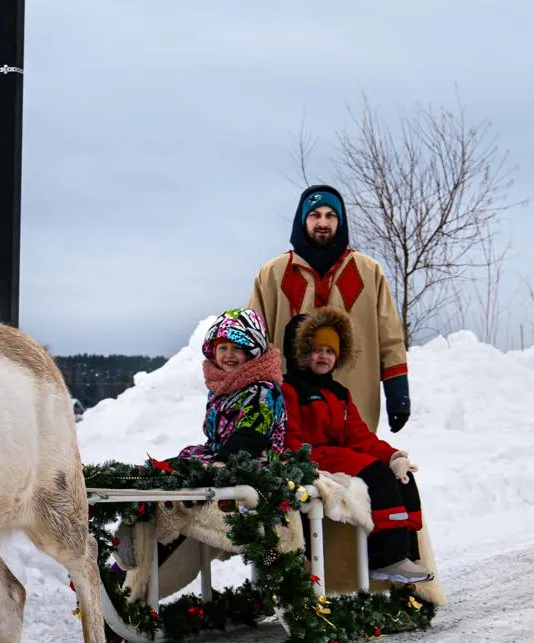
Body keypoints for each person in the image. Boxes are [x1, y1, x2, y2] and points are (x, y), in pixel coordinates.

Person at [280, 309, 433, 584]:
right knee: (377, 475)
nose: (323, 356)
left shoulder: (339, 393)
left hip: (340, 455)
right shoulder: (289, 389)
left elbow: (360, 436)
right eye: (315, 350)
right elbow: (289, 440)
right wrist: (308, 464)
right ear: (297, 352)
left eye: (330, 350)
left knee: (402, 477)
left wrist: (393, 456)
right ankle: (387, 559)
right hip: (313, 457)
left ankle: (409, 554)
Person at [247, 185, 410, 434]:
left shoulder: (369, 271)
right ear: (303, 220)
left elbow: (390, 338)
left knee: (355, 467)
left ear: (340, 222)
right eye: (315, 215)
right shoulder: (272, 274)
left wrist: (398, 392)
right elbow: (253, 340)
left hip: (355, 403)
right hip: (290, 407)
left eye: (330, 215)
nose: (323, 222)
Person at [177, 309, 286, 462]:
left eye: (237, 348)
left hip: (251, 461)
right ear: (214, 352)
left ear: (251, 352)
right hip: (219, 454)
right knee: (170, 466)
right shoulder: (221, 388)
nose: (229, 354)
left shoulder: (263, 390)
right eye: (223, 348)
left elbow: (251, 435)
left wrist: (222, 462)